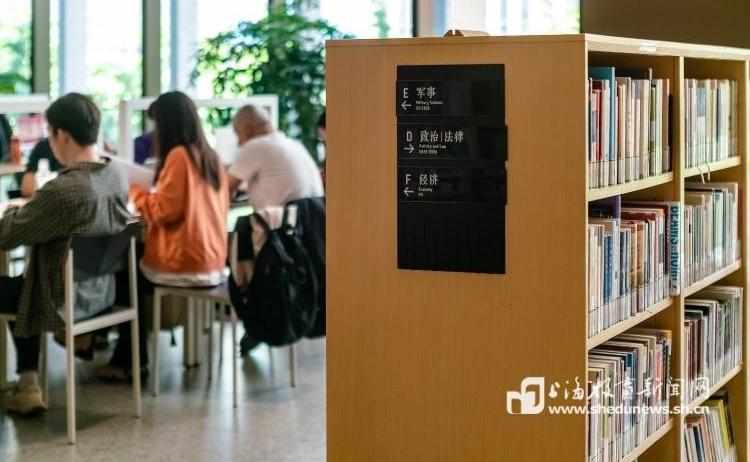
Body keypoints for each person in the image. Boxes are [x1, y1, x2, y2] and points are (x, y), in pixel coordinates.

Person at [0, 93, 131, 415]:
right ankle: (27, 383)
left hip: (60, 301)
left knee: (19, 288)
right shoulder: (116, 175)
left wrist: (11, 214)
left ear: (63, 135)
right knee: (23, 283)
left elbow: (7, 236)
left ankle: (27, 384)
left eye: (50, 133)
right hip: (101, 293)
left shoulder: (65, 189)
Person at [99, 91, 229, 379]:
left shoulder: (179, 156)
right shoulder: (210, 157)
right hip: (212, 260)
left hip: (185, 262)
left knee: (123, 272)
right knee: (129, 264)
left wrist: (134, 189)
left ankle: (129, 361)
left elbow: (163, 212)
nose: (155, 133)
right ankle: (117, 351)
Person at [228, 105, 324, 209]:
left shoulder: (256, 145)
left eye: (238, 135)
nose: (238, 144)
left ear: (248, 130)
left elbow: (224, 189)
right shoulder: (294, 144)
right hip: (315, 215)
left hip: (284, 218)